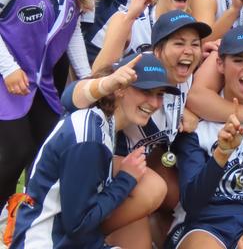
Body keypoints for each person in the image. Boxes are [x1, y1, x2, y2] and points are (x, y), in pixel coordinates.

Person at [63, 10, 210, 248]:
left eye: (195, 44)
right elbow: (71, 99)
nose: (189, 51)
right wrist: (103, 84)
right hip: (94, 167)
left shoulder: (185, 77)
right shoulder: (137, 69)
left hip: (128, 168)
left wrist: (186, 114)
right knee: (154, 188)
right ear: (158, 49)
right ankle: (82, 237)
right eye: (179, 43)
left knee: (172, 194)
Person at [9, 54, 179, 249]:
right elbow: (78, 225)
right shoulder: (90, 136)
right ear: (120, 88)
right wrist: (126, 179)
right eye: (146, 91)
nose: (155, 103)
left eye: (159, 94)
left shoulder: (101, 122)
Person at [0, 0, 92, 210]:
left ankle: (22, 223)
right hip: (6, 80)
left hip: (41, 87)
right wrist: (8, 68)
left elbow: (72, 30)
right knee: (14, 152)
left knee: (45, 154)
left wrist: (87, 78)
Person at [167, 26, 243, 249]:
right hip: (201, 224)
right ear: (220, 64)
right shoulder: (195, 121)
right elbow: (192, 202)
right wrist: (221, 154)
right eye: (238, 60)